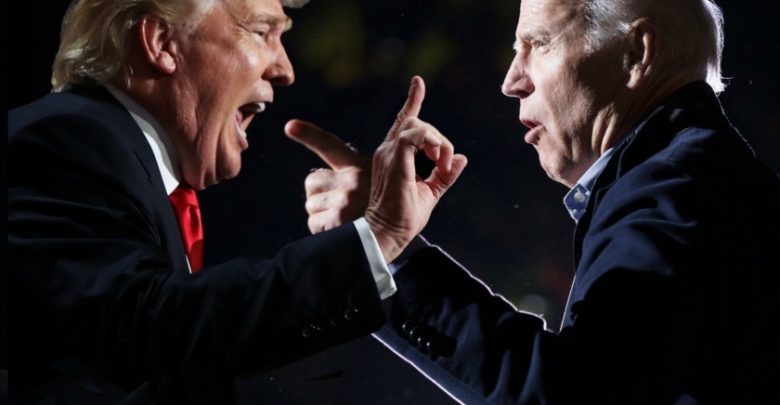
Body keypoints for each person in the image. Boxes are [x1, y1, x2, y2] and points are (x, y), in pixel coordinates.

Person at [287, 0, 780, 403]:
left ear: (637, 53)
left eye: (538, 44)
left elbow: (575, 395)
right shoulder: (696, 179)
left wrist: (390, 252)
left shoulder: (680, 188)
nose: (511, 81)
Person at [7, 0, 467, 402]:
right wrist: (377, 235)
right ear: (162, 42)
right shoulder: (62, 138)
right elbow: (147, 332)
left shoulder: (129, 168)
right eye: (262, 31)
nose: (285, 69)